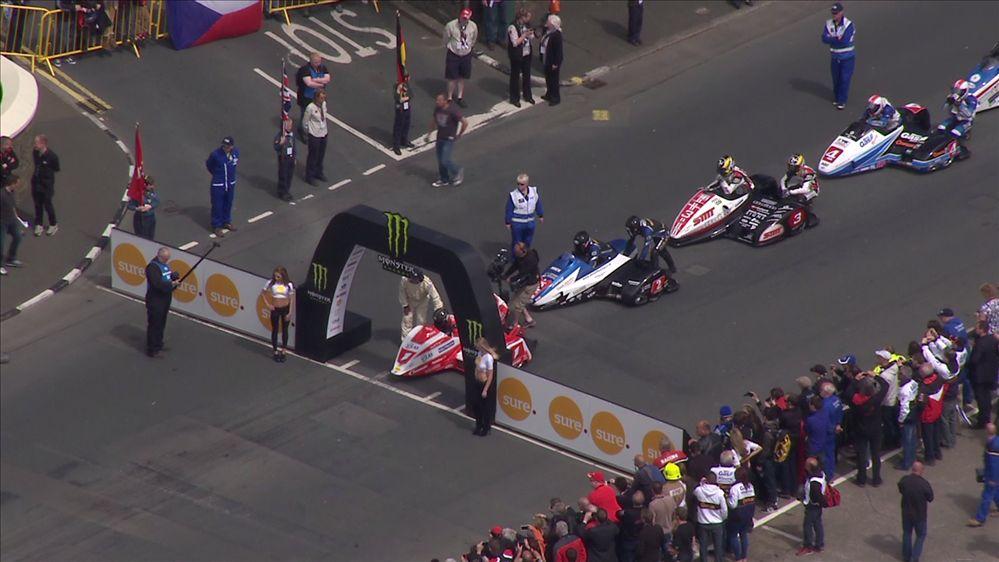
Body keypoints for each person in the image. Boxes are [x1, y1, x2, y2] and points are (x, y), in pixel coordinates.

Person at [849, 373, 887, 486]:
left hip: (861, 430)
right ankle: (876, 479)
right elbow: (885, 385)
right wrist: (875, 376)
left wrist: (855, 380)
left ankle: (861, 479)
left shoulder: (855, 401)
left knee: (861, 455)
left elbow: (848, 392)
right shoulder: (876, 399)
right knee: (876, 454)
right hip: (875, 429)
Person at [145, 247, 178, 358]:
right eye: (164, 259)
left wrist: (174, 279)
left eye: (167, 259)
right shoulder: (152, 268)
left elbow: (167, 278)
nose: (166, 261)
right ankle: (152, 349)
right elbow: (157, 284)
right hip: (155, 300)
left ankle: (159, 343)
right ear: (159, 256)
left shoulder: (165, 265)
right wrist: (171, 284)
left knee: (162, 322)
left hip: (165, 298)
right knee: (155, 323)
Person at [822, 2, 855, 110]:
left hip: (847, 58)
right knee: (836, 79)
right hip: (835, 58)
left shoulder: (848, 25)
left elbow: (845, 41)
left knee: (844, 79)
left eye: (836, 13)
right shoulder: (828, 24)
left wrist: (831, 39)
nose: (834, 15)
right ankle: (837, 97)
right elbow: (824, 38)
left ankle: (842, 101)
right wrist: (836, 39)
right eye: (833, 13)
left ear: (841, 12)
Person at [430, 94, 468, 188]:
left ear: (445, 101)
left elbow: (465, 122)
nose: (437, 102)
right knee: (440, 160)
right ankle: (444, 179)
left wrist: (459, 134)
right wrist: (429, 134)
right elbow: (434, 121)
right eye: (437, 100)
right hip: (440, 137)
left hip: (448, 139)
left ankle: (457, 171)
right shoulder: (437, 109)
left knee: (445, 160)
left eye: (439, 100)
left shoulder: (452, 111)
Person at [898, 461, 933, 562]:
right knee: (921, 535)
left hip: (906, 512)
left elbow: (900, 488)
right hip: (919, 514)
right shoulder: (924, 484)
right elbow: (930, 498)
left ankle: (906, 556)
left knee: (907, 533)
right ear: (921, 470)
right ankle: (914, 557)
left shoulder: (904, 480)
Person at [443, 8, 477, 108]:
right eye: (462, 17)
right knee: (451, 77)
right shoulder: (451, 25)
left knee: (462, 77)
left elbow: (474, 38)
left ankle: (460, 97)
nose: (463, 20)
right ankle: (449, 97)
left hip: (466, 54)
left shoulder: (473, 26)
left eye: (466, 19)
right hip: (454, 54)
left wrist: (469, 47)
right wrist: (450, 47)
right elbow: (446, 38)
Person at [205, 136, 239, 237]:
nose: (225, 148)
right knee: (217, 205)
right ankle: (216, 226)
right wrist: (217, 175)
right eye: (224, 145)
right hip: (218, 185)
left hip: (230, 183)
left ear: (232, 146)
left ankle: (226, 222)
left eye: (227, 146)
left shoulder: (236, 153)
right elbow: (209, 165)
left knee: (228, 203)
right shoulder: (215, 155)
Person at [398, 269, 444, 340]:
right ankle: (405, 340)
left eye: (415, 279)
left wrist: (439, 309)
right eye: (412, 278)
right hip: (410, 300)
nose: (413, 280)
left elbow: (435, 296)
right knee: (407, 320)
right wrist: (405, 305)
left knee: (421, 320)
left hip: (422, 301)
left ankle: (419, 339)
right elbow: (402, 292)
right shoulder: (404, 280)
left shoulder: (427, 283)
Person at [968, 423, 999, 527]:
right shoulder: (995, 441)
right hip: (993, 474)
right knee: (996, 491)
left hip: (993, 475)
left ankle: (980, 519)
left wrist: (993, 479)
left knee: (987, 496)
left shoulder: (993, 446)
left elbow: (994, 464)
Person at [261, 267, 295, 362]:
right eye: (275, 276)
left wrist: (290, 312)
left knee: (285, 329)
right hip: (275, 309)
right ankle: (275, 351)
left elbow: (292, 298)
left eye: (278, 276)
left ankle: (284, 350)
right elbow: (263, 293)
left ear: (283, 276)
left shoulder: (289, 284)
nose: (276, 278)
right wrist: (268, 305)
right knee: (275, 329)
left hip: (285, 308)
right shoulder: (271, 283)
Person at [968, 322, 998, 428]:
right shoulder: (993, 339)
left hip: (980, 376)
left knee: (981, 399)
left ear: (981, 330)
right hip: (991, 374)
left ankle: (982, 421)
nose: (975, 329)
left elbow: (974, 360)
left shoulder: (980, 343)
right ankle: (987, 417)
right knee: (987, 397)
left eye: (977, 328)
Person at [503, 242, 539, 330]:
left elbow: (523, 272)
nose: (515, 253)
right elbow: (515, 265)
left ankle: (514, 325)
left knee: (516, 306)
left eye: (516, 252)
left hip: (530, 285)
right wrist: (506, 274)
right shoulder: (520, 256)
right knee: (519, 301)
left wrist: (511, 279)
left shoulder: (531, 260)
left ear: (523, 251)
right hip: (525, 283)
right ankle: (529, 320)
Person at [295, 53, 331, 140]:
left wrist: (316, 79)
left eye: (319, 61)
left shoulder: (322, 68)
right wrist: (321, 84)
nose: (318, 64)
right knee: (305, 115)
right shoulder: (305, 69)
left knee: (317, 113)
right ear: (311, 61)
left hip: (317, 97)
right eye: (316, 62)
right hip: (306, 97)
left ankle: (314, 130)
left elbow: (327, 79)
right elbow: (309, 83)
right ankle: (303, 131)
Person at [30, 134, 60, 236]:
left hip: (46, 185)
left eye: (36, 143)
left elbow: (56, 168)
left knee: (47, 204)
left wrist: (46, 174)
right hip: (36, 182)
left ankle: (53, 224)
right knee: (37, 204)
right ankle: (39, 224)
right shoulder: (35, 152)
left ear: (43, 144)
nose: (34, 145)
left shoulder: (52, 156)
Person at [694, 472, 727, 562]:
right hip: (717, 523)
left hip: (703, 523)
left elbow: (695, 492)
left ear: (706, 480)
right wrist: (722, 519)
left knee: (703, 545)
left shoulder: (699, 490)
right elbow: (724, 510)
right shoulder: (720, 493)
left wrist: (702, 483)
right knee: (718, 545)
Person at [505, 173, 544, 249]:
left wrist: (540, 215)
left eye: (522, 184)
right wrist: (508, 222)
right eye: (518, 184)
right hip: (517, 224)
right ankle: (515, 255)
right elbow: (509, 209)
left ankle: (526, 254)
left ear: (527, 183)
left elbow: (537, 203)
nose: (519, 186)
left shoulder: (533, 192)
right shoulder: (514, 195)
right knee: (517, 243)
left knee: (528, 241)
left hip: (530, 223)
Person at [507, 8, 535, 107]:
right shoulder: (512, 27)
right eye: (527, 17)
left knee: (527, 75)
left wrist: (530, 34)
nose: (529, 19)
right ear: (522, 17)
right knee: (515, 77)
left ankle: (528, 95)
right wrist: (524, 35)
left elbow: (531, 37)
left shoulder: (527, 25)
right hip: (517, 55)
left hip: (527, 53)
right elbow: (515, 43)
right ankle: (514, 98)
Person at [797, 457, 826, 556]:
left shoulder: (814, 483)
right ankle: (819, 545)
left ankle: (808, 546)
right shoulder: (821, 474)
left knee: (807, 526)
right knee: (817, 524)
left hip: (812, 507)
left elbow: (816, 496)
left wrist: (806, 500)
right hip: (817, 507)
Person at [727, 467, 755, 562]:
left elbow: (733, 505)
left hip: (737, 516)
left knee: (733, 536)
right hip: (748, 515)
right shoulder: (750, 486)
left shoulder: (735, 488)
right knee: (744, 535)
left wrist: (726, 498)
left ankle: (738, 558)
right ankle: (744, 557)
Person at [938, 79, 978, 144]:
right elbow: (944, 109)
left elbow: (969, 114)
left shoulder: (971, 99)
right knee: (941, 127)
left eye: (959, 91)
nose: (957, 93)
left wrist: (960, 105)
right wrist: (948, 102)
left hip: (966, 120)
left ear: (964, 91)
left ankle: (958, 144)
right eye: (956, 90)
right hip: (955, 117)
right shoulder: (953, 96)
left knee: (955, 133)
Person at [472, 337, 498, 436]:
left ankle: (486, 427)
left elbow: (490, 375)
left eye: (478, 346)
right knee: (476, 405)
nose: (476, 347)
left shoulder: (488, 358)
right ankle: (478, 425)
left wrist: (485, 390)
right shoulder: (479, 354)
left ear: (482, 346)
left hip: (484, 383)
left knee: (485, 407)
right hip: (477, 382)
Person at [897, 365, 920, 470]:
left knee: (907, 441)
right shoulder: (913, 383)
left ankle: (906, 463)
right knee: (913, 439)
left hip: (908, 416)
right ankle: (912, 458)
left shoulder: (904, 391)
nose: (898, 376)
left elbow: (904, 408)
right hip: (914, 412)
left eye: (900, 374)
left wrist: (901, 420)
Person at [304, 89, 329, 186]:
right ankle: (309, 176)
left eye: (324, 98)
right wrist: (309, 132)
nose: (323, 100)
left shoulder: (324, 104)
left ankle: (318, 172)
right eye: (321, 98)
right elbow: (305, 122)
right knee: (313, 156)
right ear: (316, 98)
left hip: (323, 132)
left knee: (321, 154)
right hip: (314, 134)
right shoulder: (310, 107)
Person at [1, 175, 24, 275]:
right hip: (2, 223)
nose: (18, 185)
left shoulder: (12, 193)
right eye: (17, 183)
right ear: (12, 183)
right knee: (1, 244)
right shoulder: (2, 195)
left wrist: (17, 220)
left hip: (12, 220)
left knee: (18, 237)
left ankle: (11, 258)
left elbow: (13, 207)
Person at [540, 14, 563, 106]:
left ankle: (555, 98)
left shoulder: (557, 35)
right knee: (548, 78)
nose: (547, 22)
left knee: (554, 80)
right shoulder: (547, 31)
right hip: (546, 58)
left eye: (548, 22)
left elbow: (558, 51)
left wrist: (556, 63)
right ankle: (549, 94)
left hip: (553, 61)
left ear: (552, 24)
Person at [128, 175, 159, 240]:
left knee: (150, 237)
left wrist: (150, 206)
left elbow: (157, 201)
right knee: (140, 237)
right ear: (145, 185)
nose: (152, 186)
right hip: (140, 218)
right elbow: (129, 205)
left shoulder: (152, 192)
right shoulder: (138, 194)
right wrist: (137, 208)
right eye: (150, 185)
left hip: (150, 217)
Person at [274, 118, 296, 201]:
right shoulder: (280, 136)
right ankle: (282, 192)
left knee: (289, 175)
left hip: (290, 158)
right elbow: (276, 147)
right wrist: (280, 143)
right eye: (288, 125)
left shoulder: (291, 135)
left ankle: (287, 190)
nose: (290, 127)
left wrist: (294, 158)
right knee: (283, 175)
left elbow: (294, 147)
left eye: (291, 125)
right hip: (283, 159)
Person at [392, 76, 415, 155]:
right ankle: (396, 145)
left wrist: (405, 98)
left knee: (406, 124)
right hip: (400, 109)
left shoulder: (406, 85)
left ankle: (404, 140)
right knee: (399, 126)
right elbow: (397, 98)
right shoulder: (397, 86)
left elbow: (411, 95)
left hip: (406, 107)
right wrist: (399, 90)